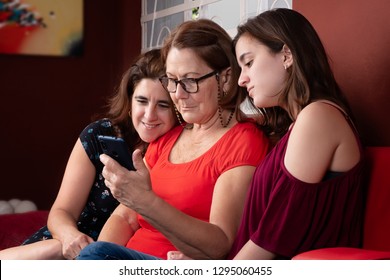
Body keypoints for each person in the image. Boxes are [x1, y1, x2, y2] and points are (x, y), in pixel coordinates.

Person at [168, 8, 365, 260]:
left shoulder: (318, 117)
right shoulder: (301, 123)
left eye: (249, 63)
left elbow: (273, 239)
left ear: (286, 55)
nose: (241, 80)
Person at [76, 18, 270, 260]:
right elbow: (124, 217)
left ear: (225, 78)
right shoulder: (168, 137)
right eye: (172, 81)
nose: (178, 94)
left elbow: (220, 242)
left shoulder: (243, 142)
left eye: (190, 81)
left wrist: (146, 202)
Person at [0, 48, 177, 260]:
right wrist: (69, 237)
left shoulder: (180, 150)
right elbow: (62, 211)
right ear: (129, 102)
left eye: (163, 105)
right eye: (142, 101)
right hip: (66, 244)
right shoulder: (99, 135)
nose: (149, 115)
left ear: (177, 107)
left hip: (116, 257)